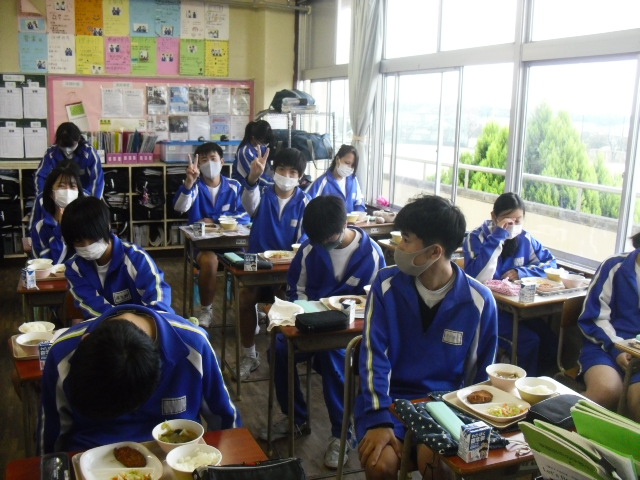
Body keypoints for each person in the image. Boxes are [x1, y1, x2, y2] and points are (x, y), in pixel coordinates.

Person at [356, 195, 498, 480]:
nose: (399, 246)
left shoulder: (479, 301)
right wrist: (378, 418)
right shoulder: (385, 285)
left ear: (434, 252)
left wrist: (466, 424)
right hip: (390, 401)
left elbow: (481, 377)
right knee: (380, 464)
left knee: (436, 465)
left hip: (445, 405)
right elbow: (373, 356)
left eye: (407, 239)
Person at [265, 195, 385, 469]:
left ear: (344, 225)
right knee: (279, 350)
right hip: (310, 326)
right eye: (317, 240)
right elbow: (296, 290)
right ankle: (296, 418)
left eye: (327, 240)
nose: (322, 245)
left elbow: (374, 302)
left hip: (352, 335)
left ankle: (342, 434)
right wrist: (305, 311)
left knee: (333, 355)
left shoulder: (371, 254)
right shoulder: (310, 249)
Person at [38, 304, 240, 453]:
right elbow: (51, 443)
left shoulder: (193, 346)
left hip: (175, 459)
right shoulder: (62, 354)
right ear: (85, 341)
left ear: (158, 368)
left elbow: (226, 423)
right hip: (89, 459)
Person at [463, 192, 558, 375]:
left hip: (516, 307)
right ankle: (518, 384)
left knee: (549, 339)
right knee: (529, 341)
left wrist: (522, 272)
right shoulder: (476, 238)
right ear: (494, 217)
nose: (513, 225)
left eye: (518, 220)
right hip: (487, 309)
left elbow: (551, 263)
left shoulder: (525, 239)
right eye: (508, 220)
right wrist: (498, 237)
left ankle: (538, 384)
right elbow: (477, 276)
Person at [236, 147, 310, 380]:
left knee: (286, 300)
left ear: (300, 177)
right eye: (281, 170)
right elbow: (249, 205)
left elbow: (305, 242)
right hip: (255, 261)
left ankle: (285, 352)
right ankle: (249, 354)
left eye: (292, 172)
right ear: (273, 170)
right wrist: (252, 177)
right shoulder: (262, 191)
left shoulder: (305, 202)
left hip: (288, 267)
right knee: (245, 298)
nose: (286, 176)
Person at [173, 142, 248, 327]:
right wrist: (189, 182)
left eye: (213, 159)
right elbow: (180, 207)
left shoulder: (234, 186)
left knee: (249, 262)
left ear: (222, 162)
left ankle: (249, 308)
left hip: (232, 245)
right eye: (204, 160)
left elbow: (245, 215)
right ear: (198, 166)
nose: (209, 164)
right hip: (201, 247)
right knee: (210, 261)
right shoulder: (195, 186)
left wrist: (213, 220)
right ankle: (206, 310)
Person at [61, 197, 173, 319]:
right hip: (104, 326)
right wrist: (121, 323)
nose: (87, 246)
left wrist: (143, 322)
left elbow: (159, 297)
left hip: (145, 324)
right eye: (78, 241)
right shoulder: (74, 269)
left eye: (92, 237)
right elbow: (92, 305)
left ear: (107, 227)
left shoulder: (135, 258)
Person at [578, 232, 640, 421]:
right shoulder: (615, 266)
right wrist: (617, 348)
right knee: (606, 391)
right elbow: (594, 317)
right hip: (604, 347)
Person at [30, 160, 86, 264]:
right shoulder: (41, 228)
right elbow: (43, 264)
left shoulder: (86, 223)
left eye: (72, 186)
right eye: (61, 186)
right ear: (51, 193)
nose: (68, 191)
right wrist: (60, 230)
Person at [35, 122, 104, 199]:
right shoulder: (51, 153)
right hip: (59, 193)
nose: (67, 149)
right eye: (63, 146)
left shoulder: (88, 152)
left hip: (84, 193)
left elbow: (97, 178)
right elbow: (40, 176)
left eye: (71, 146)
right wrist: (42, 197)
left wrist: (94, 200)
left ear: (78, 139)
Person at [306, 144, 366, 213]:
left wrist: (359, 214)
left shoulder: (353, 180)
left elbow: (359, 202)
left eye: (352, 165)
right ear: (337, 159)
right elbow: (307, 205)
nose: (349, 167)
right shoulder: (322, 182)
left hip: (351, 220)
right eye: (347, 163)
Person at [232, 120, 274, 189]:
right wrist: (276, 184)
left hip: (258, 186)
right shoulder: (245, 152)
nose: (265, 144)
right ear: (254, 137)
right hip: (243, 188)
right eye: (263, 141)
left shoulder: (261, 147)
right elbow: (257, 176)